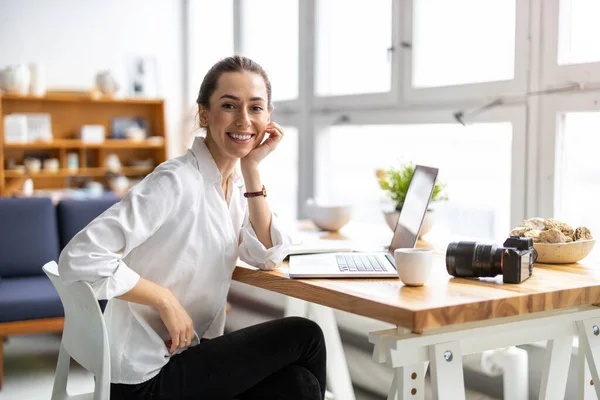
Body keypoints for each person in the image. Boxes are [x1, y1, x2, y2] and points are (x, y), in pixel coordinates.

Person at [58, 55, 327, 400]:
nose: (244, 119)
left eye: (256, 108)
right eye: (229, 105)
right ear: (204, 114)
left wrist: (252, 168)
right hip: (142, 380)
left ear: (268, 118)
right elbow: (79, 256)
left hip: (182, 357)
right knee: (306, 336)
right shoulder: (176, 180)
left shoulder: (228, 186)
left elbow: (267, 254)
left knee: (299, 386)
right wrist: (164, 299)